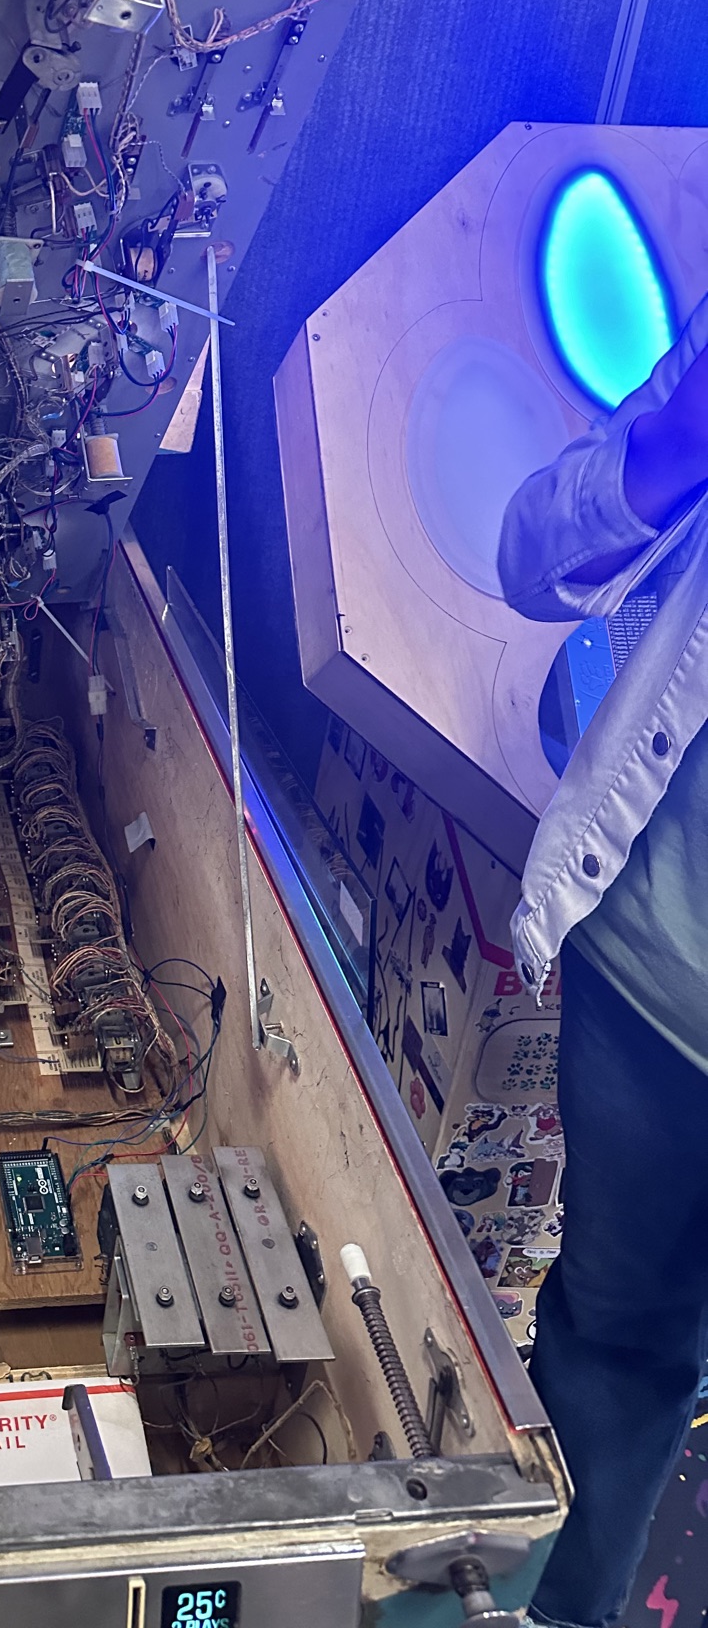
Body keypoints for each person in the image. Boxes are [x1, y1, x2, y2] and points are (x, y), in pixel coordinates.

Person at [499, 308, 708, 1628]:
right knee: (613, 1351)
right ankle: (555, 1607)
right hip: (645, 987)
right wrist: (676, 447)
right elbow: (530, 553)